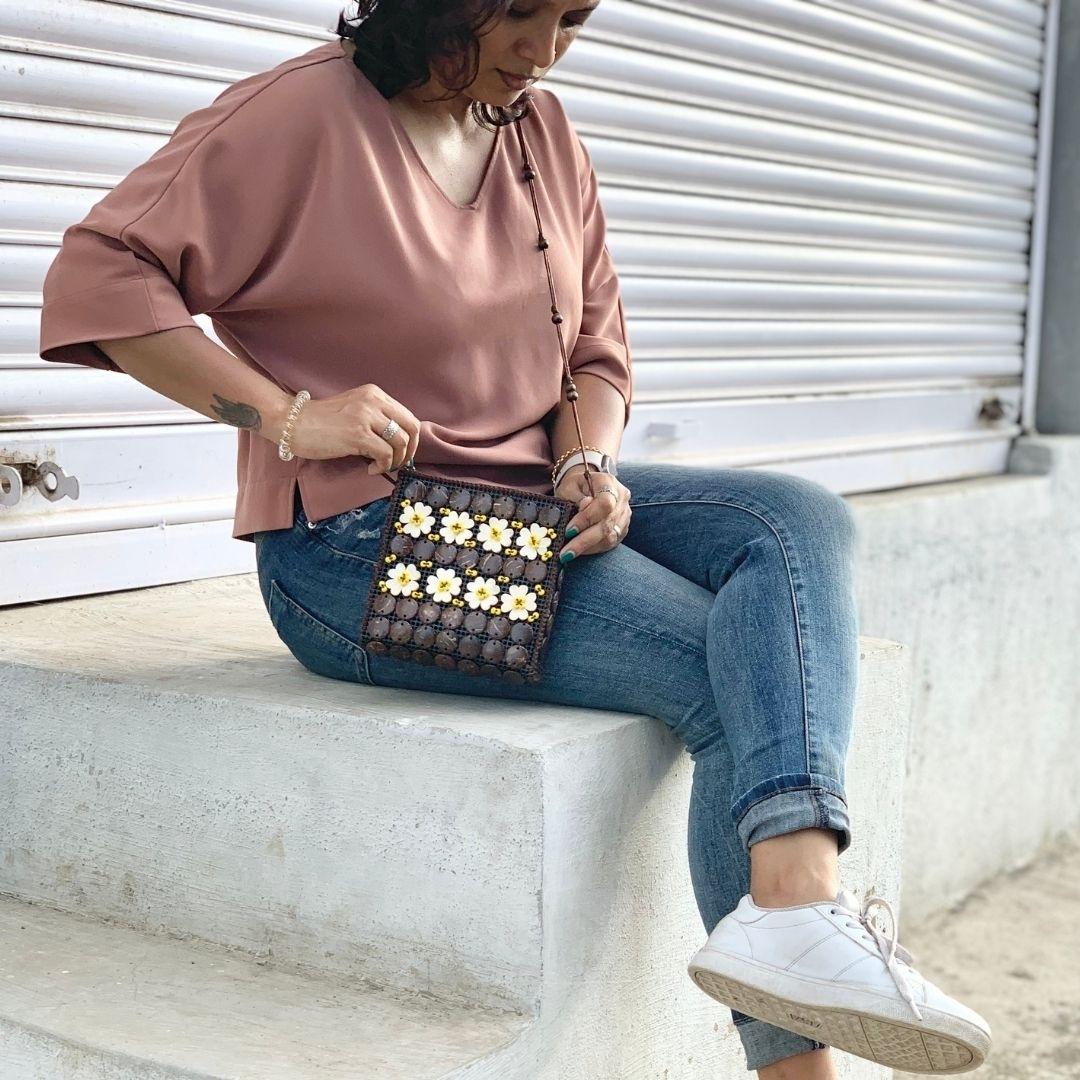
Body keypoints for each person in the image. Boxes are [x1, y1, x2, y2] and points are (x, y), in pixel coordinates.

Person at [37, 1, 992, 1075]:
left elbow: (594, 349)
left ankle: (794, 920)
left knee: (796, 520)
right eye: (523, 12)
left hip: (530, 496)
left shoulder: (543, 132)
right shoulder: (295, 117)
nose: (545, 51)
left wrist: (589, 460)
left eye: (574, 17)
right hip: (359, 547)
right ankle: (800, 1007)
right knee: (731, 671)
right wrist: (290, 417)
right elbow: (100, 275)